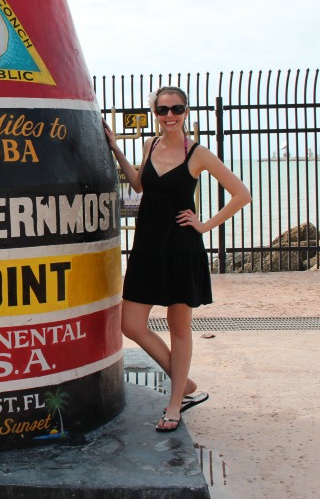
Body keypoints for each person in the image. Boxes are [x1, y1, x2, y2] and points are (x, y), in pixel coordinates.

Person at [104, 85, 250, 432]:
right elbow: (140, 186)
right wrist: (116, 150)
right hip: (147, 246)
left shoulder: (198, 154)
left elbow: (241, 193)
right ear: (155, 113)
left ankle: (175, 404)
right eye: (163, 110)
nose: (170, 115)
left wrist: (204, 225)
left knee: (178, 328)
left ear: (186, 112)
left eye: (177, 109)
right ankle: (184, 382)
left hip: (181, 247)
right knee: (131, 324)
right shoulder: (150, 145)